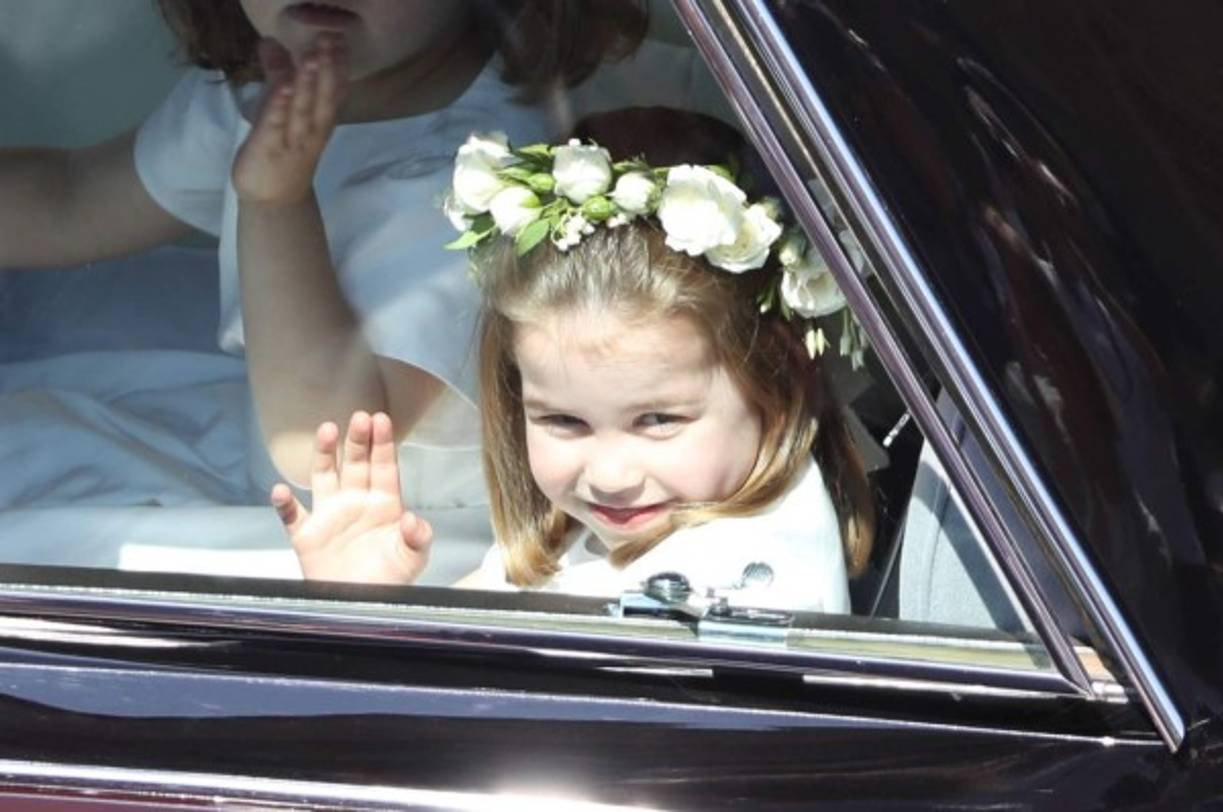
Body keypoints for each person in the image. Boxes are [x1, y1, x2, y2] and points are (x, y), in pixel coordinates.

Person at [0, 0, 646, 502]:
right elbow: (71, 200)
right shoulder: (269, 83)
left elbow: (329, 445)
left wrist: (275, 204)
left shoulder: (488, 173)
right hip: (273, 476)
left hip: (401, 543)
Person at [273, 114, 875, 612]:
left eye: (658, 420)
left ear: (777, 383)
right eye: (564, 421)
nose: (609, 475)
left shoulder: (722, 586)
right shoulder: (633, 526)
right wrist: (362, 602)